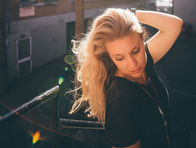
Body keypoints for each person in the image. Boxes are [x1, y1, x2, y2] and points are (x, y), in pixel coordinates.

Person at [70, 8, 183, 148]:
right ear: (110, 58)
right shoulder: (120, 101)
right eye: (119, 58)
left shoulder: (145, 61)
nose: (132, 64)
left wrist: (128, 15)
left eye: (135, 51)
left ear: (142, 40)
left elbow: (174, 25)